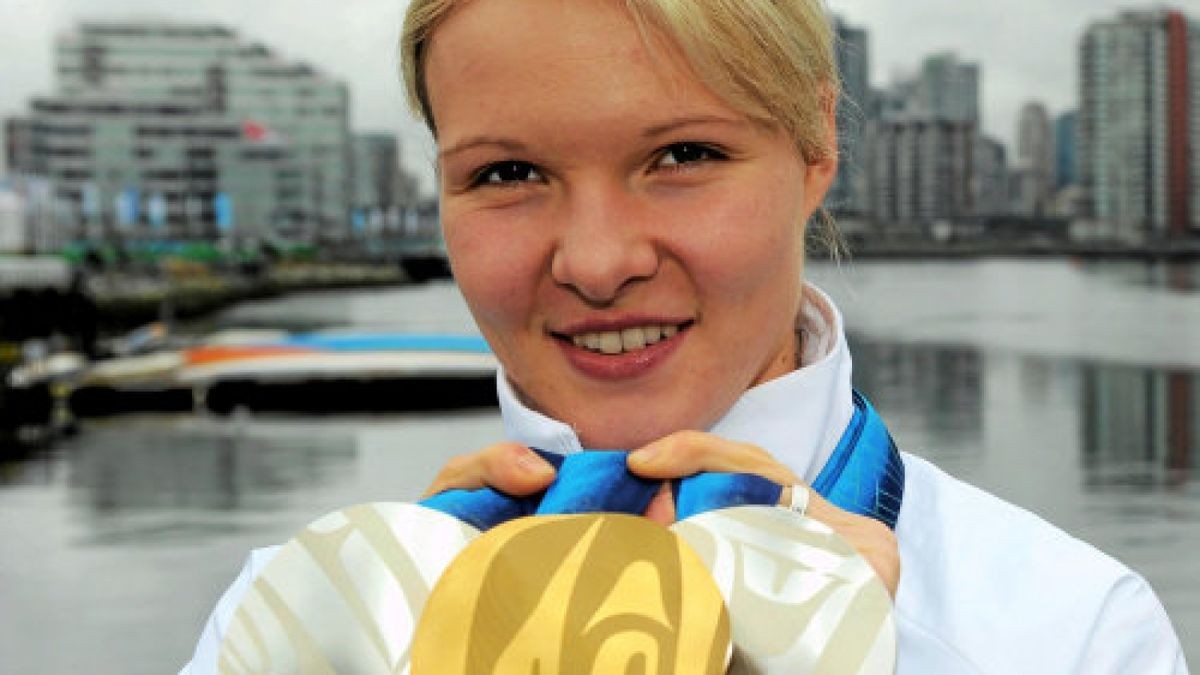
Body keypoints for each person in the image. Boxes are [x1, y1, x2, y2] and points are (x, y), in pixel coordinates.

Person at [182, 0, 1189, 672]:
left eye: (683, 154)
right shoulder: (292, 624)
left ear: (816, 149)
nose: (596, 259)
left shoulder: (1071, 632)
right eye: (506, 175)